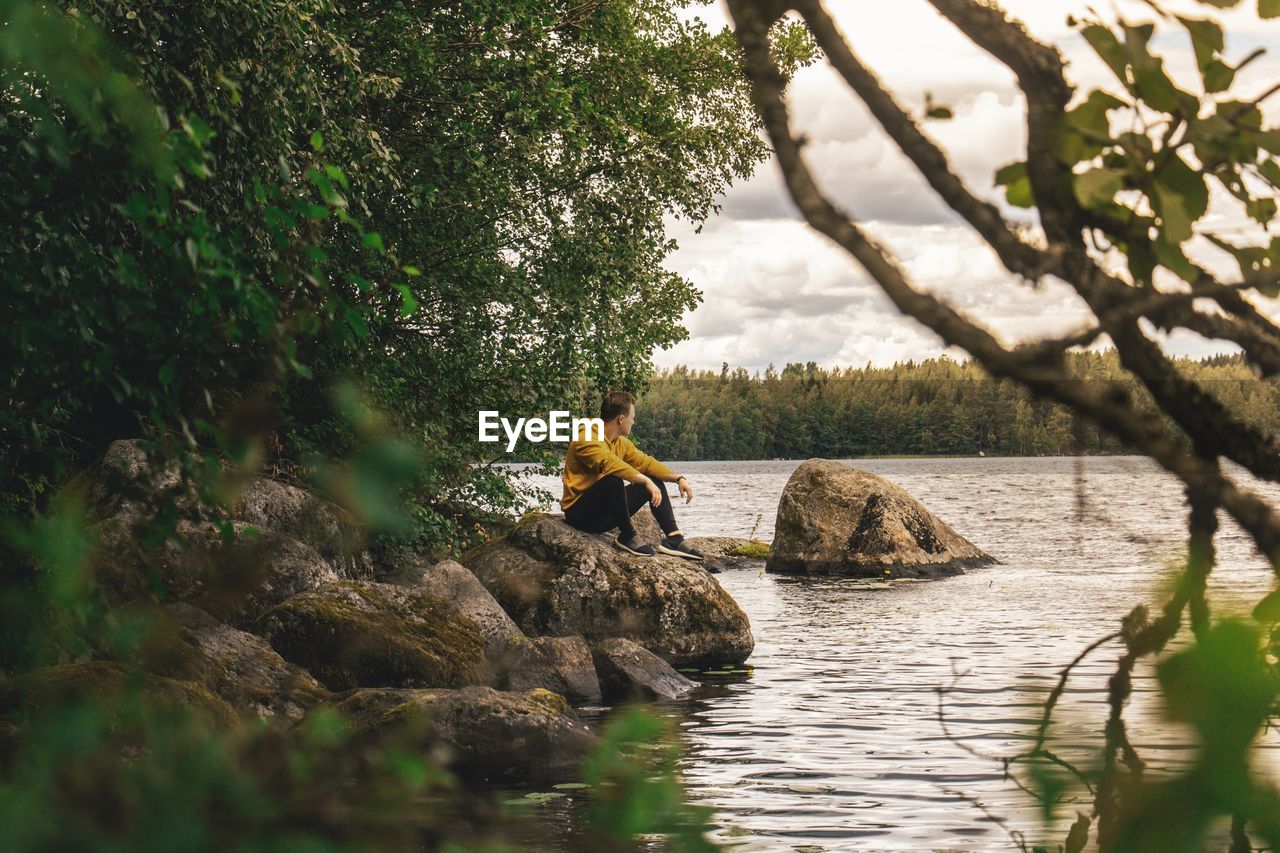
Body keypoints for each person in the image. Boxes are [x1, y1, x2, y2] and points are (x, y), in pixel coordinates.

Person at [561, 391, 704, 560]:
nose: (633, 421)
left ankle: (674, 538)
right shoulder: (586, 438)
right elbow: (608, 463)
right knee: (613, 481)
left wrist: (678, 478)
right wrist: (643, 479)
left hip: (603, 515)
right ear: (621, 419)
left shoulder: (620, 442)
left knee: (654, 481)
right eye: (632, 417)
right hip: (580, 515)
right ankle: (627, 535)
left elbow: (646, 463)